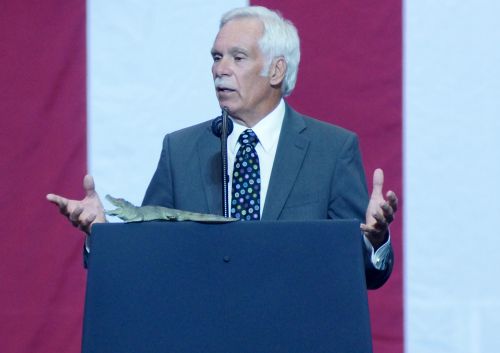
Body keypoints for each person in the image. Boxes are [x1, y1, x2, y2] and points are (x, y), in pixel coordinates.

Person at [47, 6, 398, 289]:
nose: (220, 70)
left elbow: (365, 275)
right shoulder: (181, 151)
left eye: (237, 58)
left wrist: (374, 240)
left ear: (276, 70)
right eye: (216, 57)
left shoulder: (332, 150)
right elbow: (150, 259)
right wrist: (102, 234)